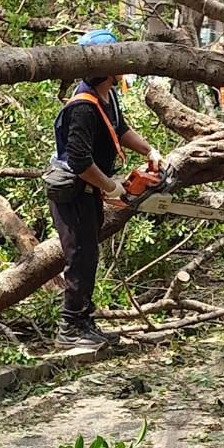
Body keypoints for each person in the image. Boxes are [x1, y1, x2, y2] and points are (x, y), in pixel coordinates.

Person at [43, 29, 161, 349]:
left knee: (88, 255)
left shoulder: (108, 95)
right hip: (73, 191)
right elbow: (80, 161)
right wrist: (112, 187)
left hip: (89, 190)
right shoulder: (82, 106)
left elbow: (119, 129)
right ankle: (70, 327)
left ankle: (84, 321)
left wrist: (149, 151)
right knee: (79, 257)